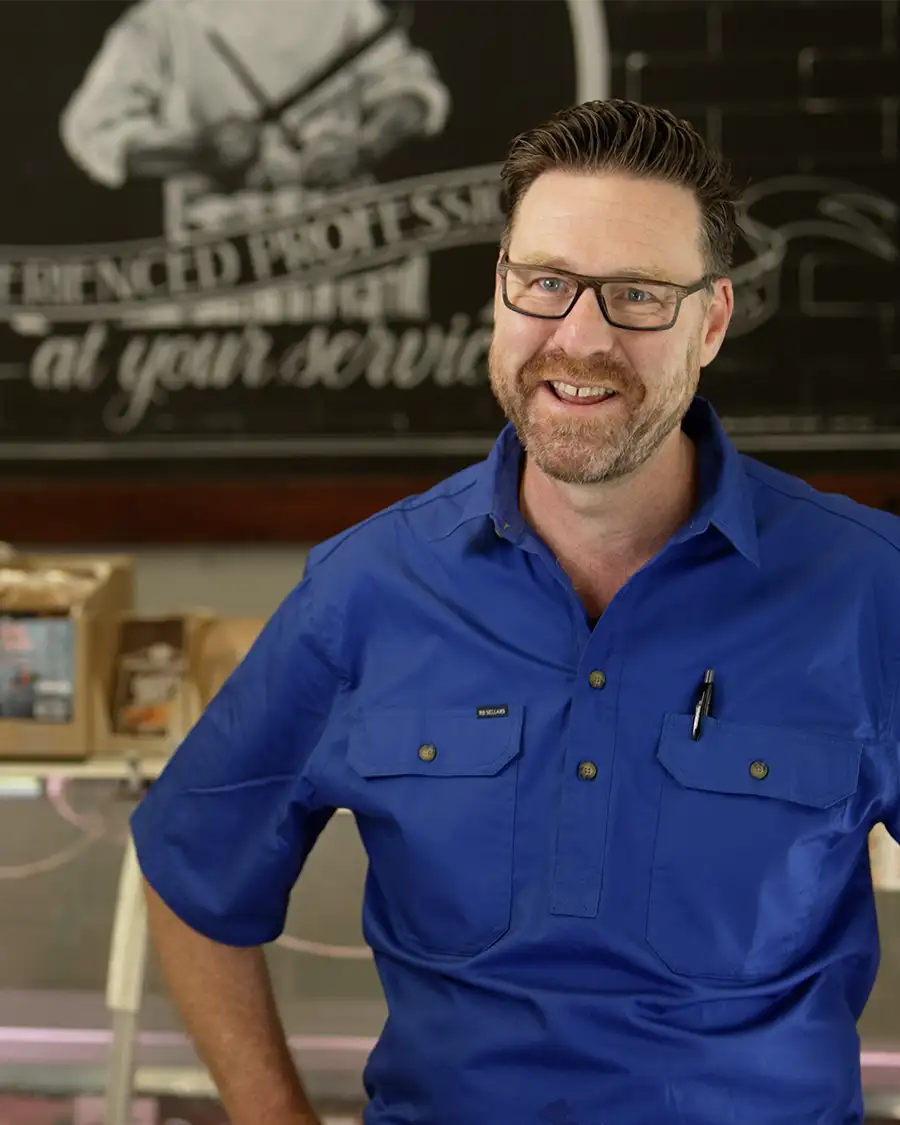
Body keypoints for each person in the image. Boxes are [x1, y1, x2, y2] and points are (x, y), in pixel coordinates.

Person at [130, 99, 900, 1125]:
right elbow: (190, 867)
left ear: (710, 320)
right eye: (545, 283)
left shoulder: (865, 586)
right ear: (499, 292)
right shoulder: (366, 588)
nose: (578, 338)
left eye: (635, 294)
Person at [60, 0, 450, 235]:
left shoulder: (341, 6)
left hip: (342, 239)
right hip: (218, 253)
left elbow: (412, 90)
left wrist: (368, 143)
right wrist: (197, 151)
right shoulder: (163, 18)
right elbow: (90, 129)